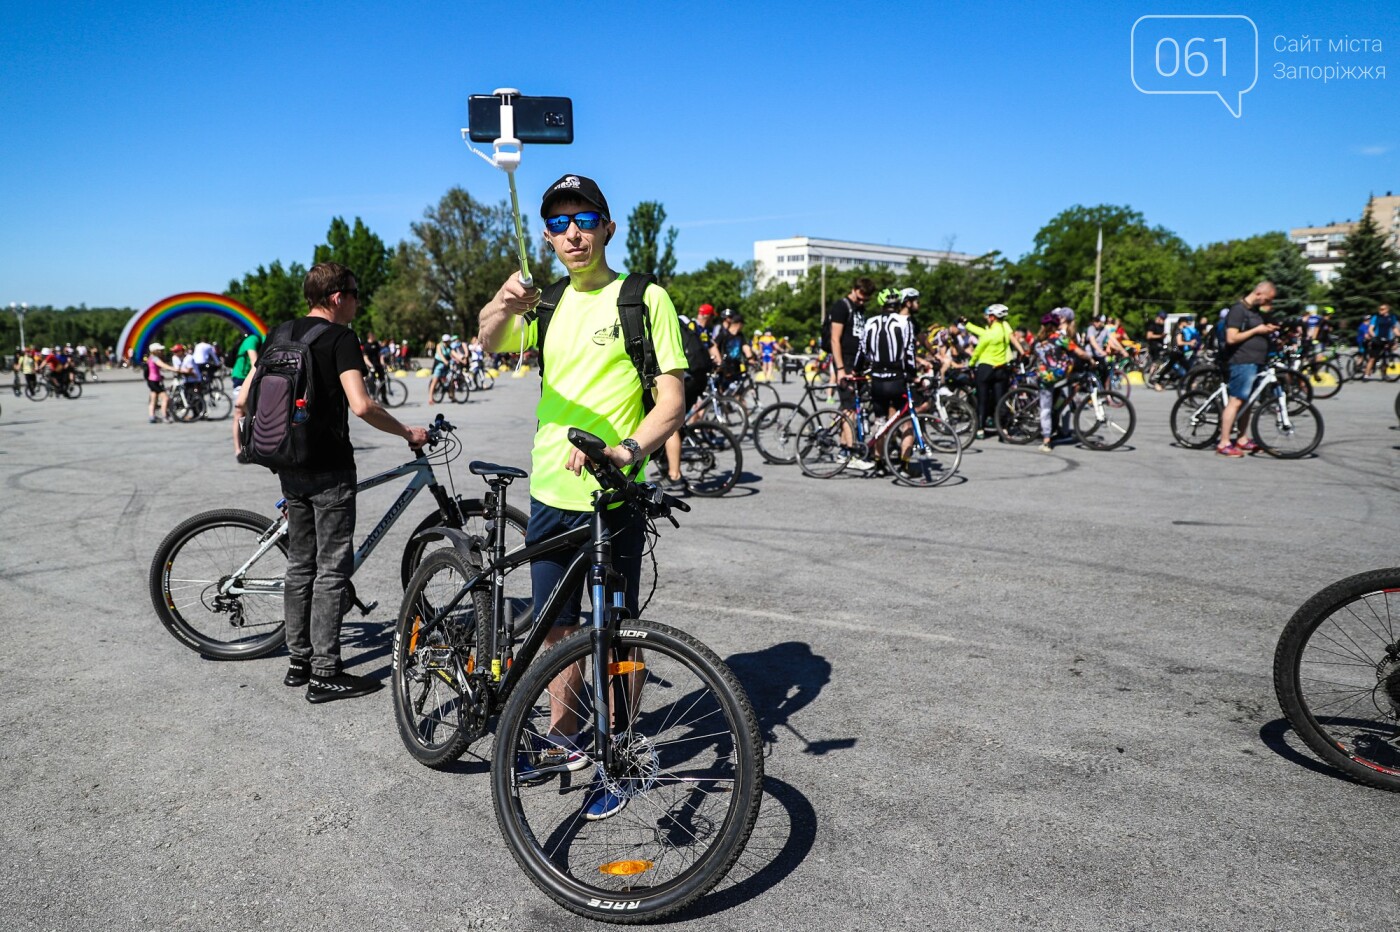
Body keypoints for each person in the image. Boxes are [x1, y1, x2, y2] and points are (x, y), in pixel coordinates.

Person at [477, 173, 686, 820]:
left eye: (585, 219)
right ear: (546, 236)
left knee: (619, 633)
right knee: (558, 629)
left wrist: (625, 451)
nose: (573, 232)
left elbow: (672, 401)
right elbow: (487, 343)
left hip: (616, 494)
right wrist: (500, 304)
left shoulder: (642, 298)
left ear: (608, 227)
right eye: (561, 223)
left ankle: (618, 751)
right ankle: (566, 737)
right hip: (550, 491)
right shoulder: (544, 307)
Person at [232, 262, 428, 701]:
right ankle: (325, 672)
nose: (359, 301)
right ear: (337, 296)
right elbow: (361, 406)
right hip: (329, 468)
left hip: (287, 464)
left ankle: (298, 662)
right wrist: (406, 432)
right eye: (356, 293)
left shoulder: (279, 334)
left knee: (301, 564)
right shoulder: (341, 338)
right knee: (331, 569)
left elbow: (244, 397)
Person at [1216, 281, 1278, 457]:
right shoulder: (1238, 310)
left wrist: (1267, 330)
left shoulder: (1253, 312)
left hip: (1256, 361)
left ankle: (1242, 439)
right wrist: (1257, 330)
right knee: (1236, 400)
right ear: (1259, 293)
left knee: (1248, 402)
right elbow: (1231, 338)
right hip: (1242, 361)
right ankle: (1224, 442)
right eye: (1268, 298)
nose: (1268, 303)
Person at [827, 278, 874, 456]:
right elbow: (835, 339)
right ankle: (850, 451)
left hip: (857, 363)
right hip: (844, 362)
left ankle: (844, 446)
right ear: (854, 289)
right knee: (850, 407)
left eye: (865, 300)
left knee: (853, 406)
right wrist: (840, 369)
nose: (862, 302)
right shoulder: (842, 306)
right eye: (860, 298)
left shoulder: (859, 309)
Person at [966, 304, 1025, 439]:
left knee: (983, 399)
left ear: (992, 317)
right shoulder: (1005, 328)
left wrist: (971, 364)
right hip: (1001, 368)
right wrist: (1023, 352)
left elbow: (978, 351)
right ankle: (1002, 428)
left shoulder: (989, 333)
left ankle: (980, 429)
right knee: (1001, 399)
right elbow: (1013, 339)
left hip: (985, 368)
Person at [144, 343, 178, 422]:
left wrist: (161, 376)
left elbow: (154, 370)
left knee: (153, 399)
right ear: (155, 351)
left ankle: (152, 417)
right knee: (165, 398)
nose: (161, 351)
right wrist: (175, 369)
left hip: (151, 381)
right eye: (160, 350)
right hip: (154, 381)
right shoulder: (155, 358)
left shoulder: (150, 358)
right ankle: (164, 416)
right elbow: (163, 365)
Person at [1362, 304, 1396, 380]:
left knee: (1385, 358)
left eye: (1382, 309)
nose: (1380, 310)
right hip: (1377, 339)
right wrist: (1375, 337)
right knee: (1372, 358)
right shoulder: (1376, 317)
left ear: (1387, 310)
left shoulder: (1392, 317)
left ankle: (1384, 374)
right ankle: (1366, 374)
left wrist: (1398, 334)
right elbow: (1371, 329)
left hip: (1387, 339)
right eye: (1380, 309)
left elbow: (1394, 328)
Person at [427, 332, 453, 405]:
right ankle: (430, 398)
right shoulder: (439, 345)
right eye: (449, 341)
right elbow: (440, 354)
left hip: (446, 366)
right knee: (434, 381)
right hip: (438, 365)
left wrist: (460, 359)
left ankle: (451, 396)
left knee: (450, 380)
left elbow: (453, 354)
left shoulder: (449, 347)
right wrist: (445, 361)